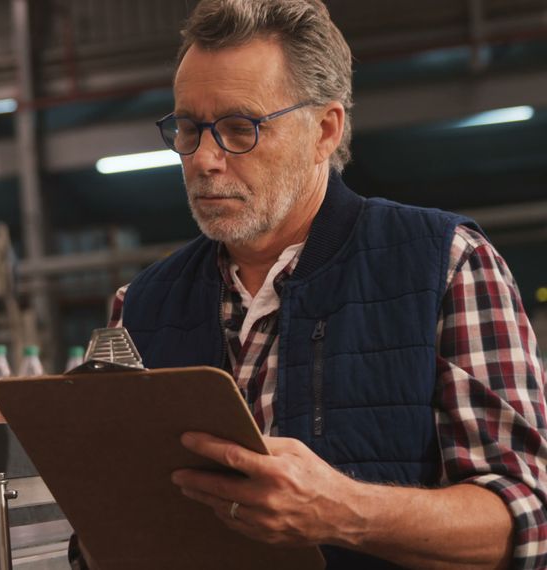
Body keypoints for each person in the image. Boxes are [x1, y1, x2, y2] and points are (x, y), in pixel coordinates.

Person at [84, 0, 547, 568]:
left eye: (238, 128)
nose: (203, 159)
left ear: (325, 130)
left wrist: (344, 511)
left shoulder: (447, 264)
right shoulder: (140, 307)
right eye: (187, 128)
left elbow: (525, 520)